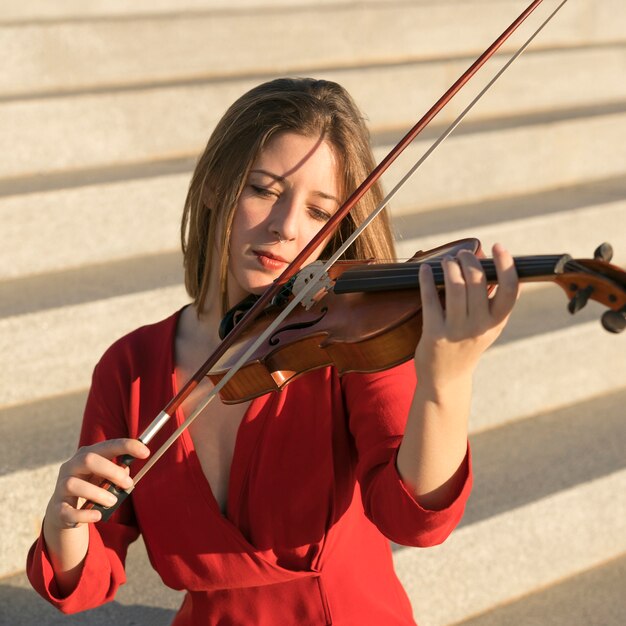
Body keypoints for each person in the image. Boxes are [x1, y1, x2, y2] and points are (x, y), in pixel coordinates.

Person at [27, 77, 519, 625]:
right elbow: (87, 579)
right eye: (264, 190)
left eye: (318, 211)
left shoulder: (348, 340)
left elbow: (415, 521)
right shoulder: (132, 365)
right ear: (218, 185)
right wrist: (64, 521)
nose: (286, 228)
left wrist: (445, 385)